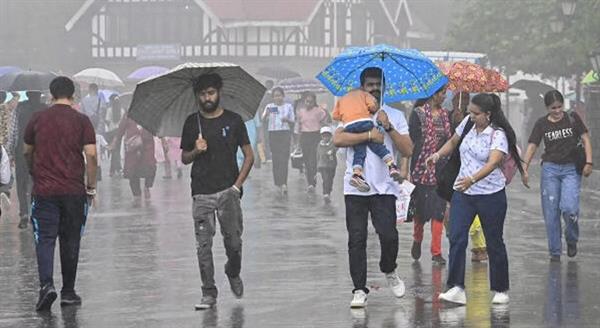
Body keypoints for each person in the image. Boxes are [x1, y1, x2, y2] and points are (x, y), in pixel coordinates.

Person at [427, 93, 523, 305]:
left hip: (491, 195)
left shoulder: (497, 134)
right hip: (463, 192)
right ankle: (457, 287)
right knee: (457, 237)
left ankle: (500, 289)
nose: (471, 116)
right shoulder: (468, 124)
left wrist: (472, 179)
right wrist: (437, 155)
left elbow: (493, 162)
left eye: (475, 113)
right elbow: (453, 142)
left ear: (488, 114)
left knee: (494, 241)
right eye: (470, 112)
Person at [332, 67, 413, 308]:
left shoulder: (395, 115)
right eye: (370, 84)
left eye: (378, 84)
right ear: (362, 87)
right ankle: (359, 288)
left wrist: (388, 127)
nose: (374, 88)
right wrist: (369, 134)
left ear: (384, 86)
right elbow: (338, 139)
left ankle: (389, 269)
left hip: (385, 188)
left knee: (388, 235)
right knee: (356, 239)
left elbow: (408, 149)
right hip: (356, 187)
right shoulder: (350, 110)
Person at [180, 73, 253, 310]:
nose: (207, 97)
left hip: (228, 192)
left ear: (219, 92)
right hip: (201, 193)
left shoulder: (234, 120)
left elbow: (249, 156)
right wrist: (195, 150)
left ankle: (233, 271)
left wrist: (236, 186)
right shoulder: (192, 123)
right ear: (197, 96)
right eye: (202, 94)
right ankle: (208, 292)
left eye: (210, 92)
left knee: (233, 243)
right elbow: (184, 158)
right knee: (203, 246)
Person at [23, 76, 97, 311]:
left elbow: (27, 150)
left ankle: (46, 286)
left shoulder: (38, 119)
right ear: (72, 95)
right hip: (73, 191)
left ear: (51, 95)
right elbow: (92, 155)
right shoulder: (82, 121)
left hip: (44, 191)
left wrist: (34, 171)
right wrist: (91, 186)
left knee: (44, 240)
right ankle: (68, 291)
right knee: (70, 240)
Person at [521, 90, 593, 262]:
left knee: (570, 209)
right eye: (553, 108)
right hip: (550, 169)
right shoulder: (541, 124)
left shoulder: (572, 118)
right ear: (547, 108)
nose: (557, 111)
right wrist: (524, 167)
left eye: (560, 106)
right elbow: (532, 145)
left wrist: (589, 162)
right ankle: (554, 252)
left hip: (571, 169)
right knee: (551, 212)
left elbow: (585, 139)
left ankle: (571, 239)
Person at [408, 85, 452, 266]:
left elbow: (450, 140)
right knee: (420, 210)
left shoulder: (446, 115)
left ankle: (436, 251)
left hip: (440, 168)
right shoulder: (417, 114)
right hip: (420, 168)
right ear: (433, 94)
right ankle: (417, 239)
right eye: (442, 93)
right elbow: (412, 139)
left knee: (438, 210)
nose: (444, 97)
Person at [333, 89, 402, 192]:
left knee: (359, 152)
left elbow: (335, 116)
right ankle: (391, 166)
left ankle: (356, 174)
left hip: (349, 126)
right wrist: (377, 110)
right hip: (364, 122)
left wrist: (347, 114)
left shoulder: (341, 99)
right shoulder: (363, 94)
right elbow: (372, 106)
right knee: (378, 146)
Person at [449, 92, 488, 262]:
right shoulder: (455, 117)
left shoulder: (490, 128)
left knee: (476, 213)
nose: (463, 103)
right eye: (460, 100)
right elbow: (451, 141)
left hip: (479, 177)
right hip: (456, 169)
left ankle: (480, 247)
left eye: (466, 100)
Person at [14, 91, 47, 228]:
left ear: (27, 95)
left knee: (21, 183)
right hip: (41, 151)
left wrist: (10, 152)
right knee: (38, 182)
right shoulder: (45, 109)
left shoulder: (19, 108)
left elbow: (14, 131)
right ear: (40, 96)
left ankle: (24, 213)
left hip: (22, 150)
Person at [109, 116, 156, 204]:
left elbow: (158, 128)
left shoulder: (149, 114)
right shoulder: (128, 115)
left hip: (147, 146)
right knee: (133, 171)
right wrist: (114, 142)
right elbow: (120, 130)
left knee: (151, 167)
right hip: (132, 147)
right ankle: (136, 194)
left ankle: (147, 186)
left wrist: (164, 140)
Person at [261, 87, 294, 195]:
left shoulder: (288, 106)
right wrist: (266, 114)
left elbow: (293, 120)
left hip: (284, 133)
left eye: (279, 95)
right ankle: (277, 183)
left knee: (284, 158)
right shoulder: (270, 107)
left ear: (283, 96)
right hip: (273, 133)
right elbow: (263, 119)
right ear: (273, 97)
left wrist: (287, 120)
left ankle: (284, 183)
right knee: (276, 158)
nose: (278, 97)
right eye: (275, 95)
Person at [296, 92, 330, 193]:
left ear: (314, 102)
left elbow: (326, 118)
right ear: (304, 102)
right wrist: (297, 142)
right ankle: (310, 182)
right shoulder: (301, 112)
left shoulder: (318, 110)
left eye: (311, 102)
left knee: (313, 159)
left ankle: (313, 179)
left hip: (315, 136)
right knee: (306, 160)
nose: (308, 103)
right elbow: (298, 127)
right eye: (307, 101)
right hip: (305, 136)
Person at [104, 94, 124, 177]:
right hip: (119, 132)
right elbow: (123, 123)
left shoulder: (109, 110)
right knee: (117, 151)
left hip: (111, 132)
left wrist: (110, 126)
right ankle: (117, 169)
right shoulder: (122, 110)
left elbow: (107, 121)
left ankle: (114, 170)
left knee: (113, 151)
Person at [316, 126, 337, 204]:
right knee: (325, 179)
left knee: (330, 179)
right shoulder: (319, 145)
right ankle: (325, 193)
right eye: (324, 136)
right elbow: (317, 155)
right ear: (321, 136)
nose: (325, 137)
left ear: (330, 136)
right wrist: (317, 166)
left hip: (332, 166)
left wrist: (332, 151)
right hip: (323, 166)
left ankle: (328, 192)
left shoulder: (332, 144)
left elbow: (336, 148)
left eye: (327, 136)